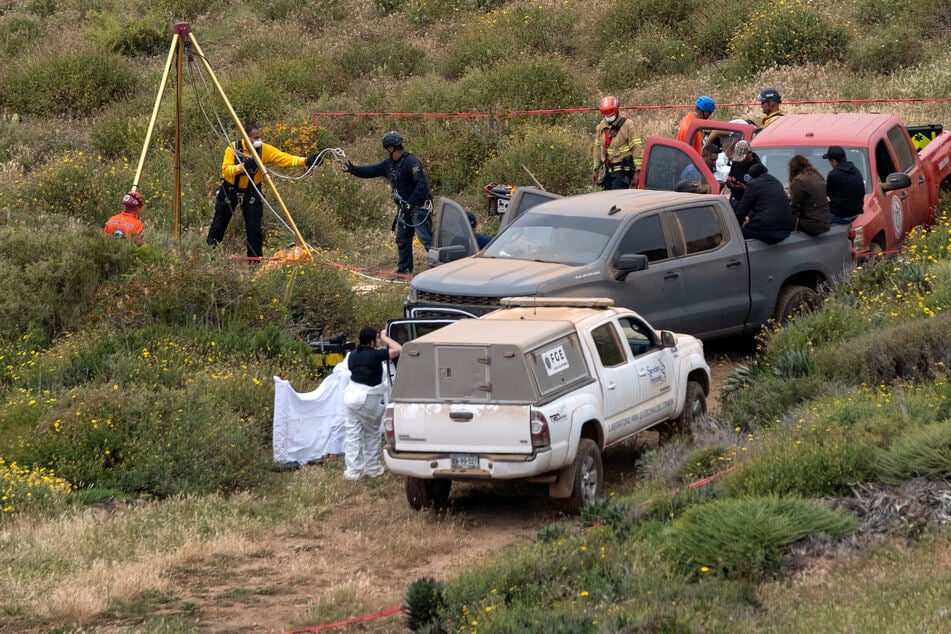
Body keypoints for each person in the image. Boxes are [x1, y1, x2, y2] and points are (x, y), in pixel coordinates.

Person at [207, 123, 321, 260]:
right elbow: (226, 170)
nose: (258, 141)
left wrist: (306, 161)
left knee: (254, 229)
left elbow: (284, 158)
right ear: (245, 137)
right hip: (229, 190)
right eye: (255, 138)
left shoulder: (264, 150)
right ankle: (210, 257)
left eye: (260, 137)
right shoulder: (233, 148)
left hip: (252, 191)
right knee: (219, 225)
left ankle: (254, 263)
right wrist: (243, 167)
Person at [343, 131, 433, 274]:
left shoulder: (412, 162)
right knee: (402, 240)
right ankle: (404, 271)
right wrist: (353, 170)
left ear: (391, 148)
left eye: (386, 149)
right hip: (404, 209)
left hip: (418, 207)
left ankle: (439, 269)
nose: (386, 152)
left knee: (426, 239)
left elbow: (422, 186)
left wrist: (410, 203)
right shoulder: (388, 164)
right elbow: (371, 170)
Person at [342, 326, 402, 480]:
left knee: (353, 435)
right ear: (372, 341)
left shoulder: (351, 356)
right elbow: (399, 349)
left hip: (350, 398)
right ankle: (373, 468)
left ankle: (353, 471)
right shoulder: (375, 355)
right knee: (372, 433)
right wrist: (384, 337)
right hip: (368, 399)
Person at [591, 96, 642, 190]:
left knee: (616, 201)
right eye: (606, 114)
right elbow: (597, 148)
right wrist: (596, 170)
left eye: (610, 114)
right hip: (609, 171)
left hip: (623, 172)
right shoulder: (601, 127)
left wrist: (638, 171)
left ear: (617, 110)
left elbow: (636, 147)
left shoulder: (628, 125)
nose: (608, 117)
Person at [737, 164, 796, 244]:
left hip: (768, 231)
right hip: (786, 231)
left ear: (751, 177)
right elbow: (765, 205)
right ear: (766, 171)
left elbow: (741, 211)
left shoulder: (753, 184)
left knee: (738, 235)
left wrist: (738, 227)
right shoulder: (776, 182)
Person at [788, 155, 831, 236]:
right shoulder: (818, 176)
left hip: (812, 225)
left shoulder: (799, 181)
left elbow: (795, 209)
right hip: (825, 222)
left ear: (793, 169)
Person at [823, 145, 865, 224]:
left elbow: (828, 194)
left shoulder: (834, 174)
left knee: (813, 217)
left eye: (830, 161)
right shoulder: (855, 170)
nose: (829, 163)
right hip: (856, 213)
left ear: (834, 161)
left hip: (842, 216)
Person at [724, 140, 763, 217]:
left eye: (742, 158)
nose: (740, 161)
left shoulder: (758, 167)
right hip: (734, 199)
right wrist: (729, 182)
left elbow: (760, 191)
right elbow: (731, 176)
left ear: (750, 153)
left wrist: (744, 188)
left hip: (749, 205)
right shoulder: (736, 162)